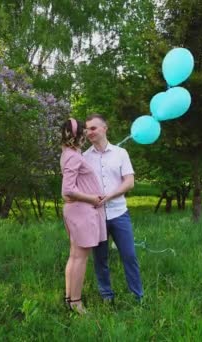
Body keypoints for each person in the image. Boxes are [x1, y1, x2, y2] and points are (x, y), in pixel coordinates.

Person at [83, 114, 144, 302]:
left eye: (93, 128)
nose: (89, 132)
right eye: (87, 129)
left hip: (119, 213)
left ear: (104, 128)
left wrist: (109, 196)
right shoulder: (84, 157)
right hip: (96, 216)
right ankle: (106, 296)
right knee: (100, 259)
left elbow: (130, 182)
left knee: (129, 255)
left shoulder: (120, 153)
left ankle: (137, 296)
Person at [60, 118, 107, 314]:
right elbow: (68, 189)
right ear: (78, 135)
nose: (87, 134)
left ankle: (69, 298)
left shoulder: (70, 153)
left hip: (79, 210)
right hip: (82, 211)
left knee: (74, 256)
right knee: (80, 258)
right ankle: (76, 303)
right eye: (84, 131)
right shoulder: (72, 156)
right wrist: (92, 199)